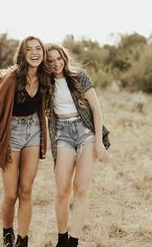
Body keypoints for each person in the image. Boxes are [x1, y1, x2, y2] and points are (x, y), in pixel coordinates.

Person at [0, 36, 50, 247]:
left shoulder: (45, 78)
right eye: (29, 49)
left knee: (26, 191)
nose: (34, 52)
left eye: (38, 48)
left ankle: (23, 240)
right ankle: (7, 234)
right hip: (11, 134)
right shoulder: (12, 80)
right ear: (23, 54)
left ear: (43, 53)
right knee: (11, 194)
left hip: (34, 132)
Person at [46, 43, 111, 247]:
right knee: (62, 191)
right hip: (62, 134)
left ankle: (73, 242)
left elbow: (96, 109)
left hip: (86, 133)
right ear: (46, 64)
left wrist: (99, 141)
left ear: (64, 58)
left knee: (81, 189)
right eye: (51, 61)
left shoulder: (79, 76)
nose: (56, 63)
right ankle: (62, 238)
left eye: (59, 58)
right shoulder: (44, 83)